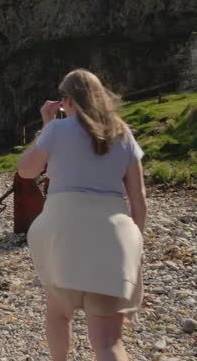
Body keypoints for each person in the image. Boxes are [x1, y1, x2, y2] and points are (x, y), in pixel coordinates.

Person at [18, 69, 146, 361]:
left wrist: (47, 123)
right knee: (107, 343)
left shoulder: (56, 130)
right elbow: (138, 198)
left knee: (59, 315)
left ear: (69, 100)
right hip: (113, 235)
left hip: (62, 233)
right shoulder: (121, 133)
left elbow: (25, 170)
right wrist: (138, 245)